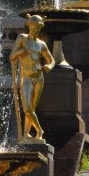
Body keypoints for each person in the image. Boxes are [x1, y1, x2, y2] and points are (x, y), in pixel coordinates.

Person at [10, 14, 56, 143]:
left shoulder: (41, 44)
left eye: (38, 28)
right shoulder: (22, 39)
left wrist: (48, 67)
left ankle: (26, 136)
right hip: (27, 78)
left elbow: (51, 60)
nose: (35, 30)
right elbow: (12, 56)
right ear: (29, 26)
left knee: (32, 108)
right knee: (27, 108)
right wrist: (20, 51)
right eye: (33, 27)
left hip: (39, 78)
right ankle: (39, 130)